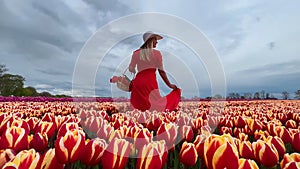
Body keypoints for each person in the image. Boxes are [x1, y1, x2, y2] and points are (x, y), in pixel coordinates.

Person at [128, 31, 181, 112]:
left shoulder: (136, 53)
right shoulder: (157, 54)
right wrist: (169, 85)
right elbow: (161, 71)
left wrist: (134, 70)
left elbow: (131, 68)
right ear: (150, 41)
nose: (157, 42)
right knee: (155, 106)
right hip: (150, 82)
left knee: (138, 106)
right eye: (155, 40)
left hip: (138, 83)